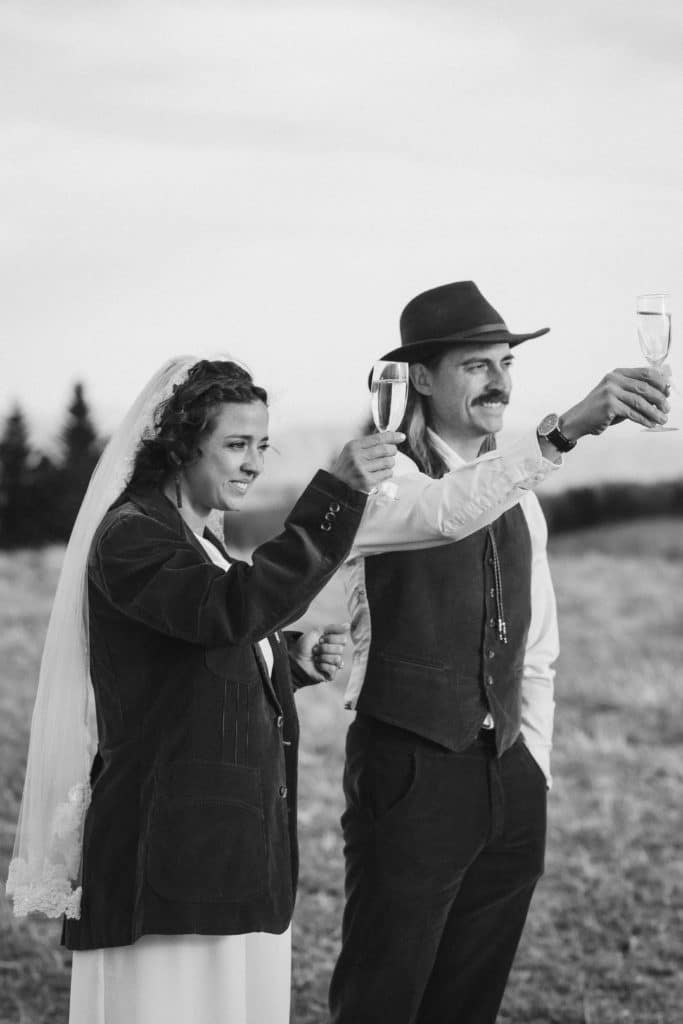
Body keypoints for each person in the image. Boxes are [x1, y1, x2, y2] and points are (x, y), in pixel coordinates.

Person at [6, 356, 404, 1024]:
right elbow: (226, 611)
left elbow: (201, 648)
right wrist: (333, 495)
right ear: (181, 444)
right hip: (167, 859)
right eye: (236, 445)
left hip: (222, 851)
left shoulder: (197, 537)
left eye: (261, 445)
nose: (253, 463)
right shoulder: (131, 534)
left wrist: (288, 659)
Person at [329, 281, 671, 1024]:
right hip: (410, 769)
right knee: (383, 995)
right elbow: (446, 513)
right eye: (475, 365)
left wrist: (532, 767)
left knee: (468, 997)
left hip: (507, 777)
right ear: (420, 378)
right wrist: (563, 429)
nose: (500, 382)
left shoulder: (520, 485)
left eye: (504, 363)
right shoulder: (380, 477)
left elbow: (537, 642)